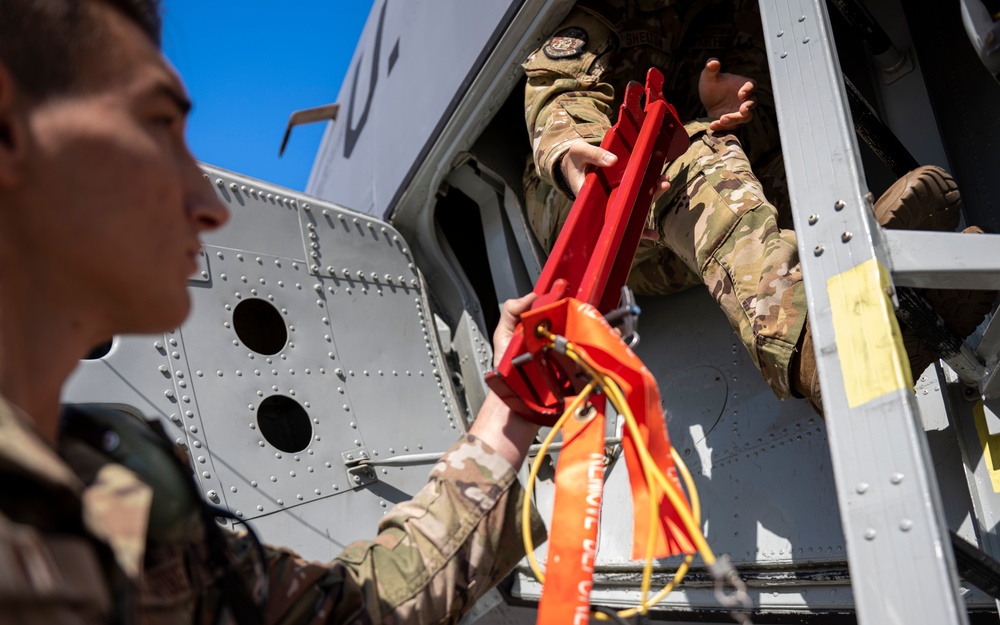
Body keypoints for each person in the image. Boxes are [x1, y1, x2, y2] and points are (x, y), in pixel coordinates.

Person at [0, 0, 544, 622]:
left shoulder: (111, 493)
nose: (208, 204)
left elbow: (362, 610)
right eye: (154, 124)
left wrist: (509, 409)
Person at [522, 0, 992, 413]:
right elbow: (557, 88)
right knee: (691, 158)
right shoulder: (619, 7)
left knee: (772, 158)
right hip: (584, 202)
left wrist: (719, 113)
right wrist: (571, 152)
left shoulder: (743, 12)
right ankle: (810, 349)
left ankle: (866, 287)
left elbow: (753, 113)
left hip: (685, 212)